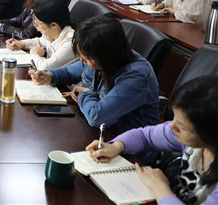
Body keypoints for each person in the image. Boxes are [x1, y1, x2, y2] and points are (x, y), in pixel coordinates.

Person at [87, 75, 218, 204]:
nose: (171, 126)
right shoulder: (192, 138)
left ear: (210, 133)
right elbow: (144, 136)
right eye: (174, 119)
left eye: (181, 126)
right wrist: (117, 146)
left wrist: (160, 187)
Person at [30, 15, 159, 135]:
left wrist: (84, 93)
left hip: (127, 143)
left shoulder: (136, 77)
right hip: (100, 132)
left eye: (87, 57)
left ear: (106, 55)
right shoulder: (101, 56)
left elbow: (96, 117)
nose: (82, 60)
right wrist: (49, 76)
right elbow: (69, 72)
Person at [6, 0, 77, 70]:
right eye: (34, 21)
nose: (35, 25)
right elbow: (40, 41)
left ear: (53, 25)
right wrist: (22, 44)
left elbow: (45, 67)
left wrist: (35, 54)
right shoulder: (51, 34)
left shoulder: (70, 43)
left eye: (38, 23)